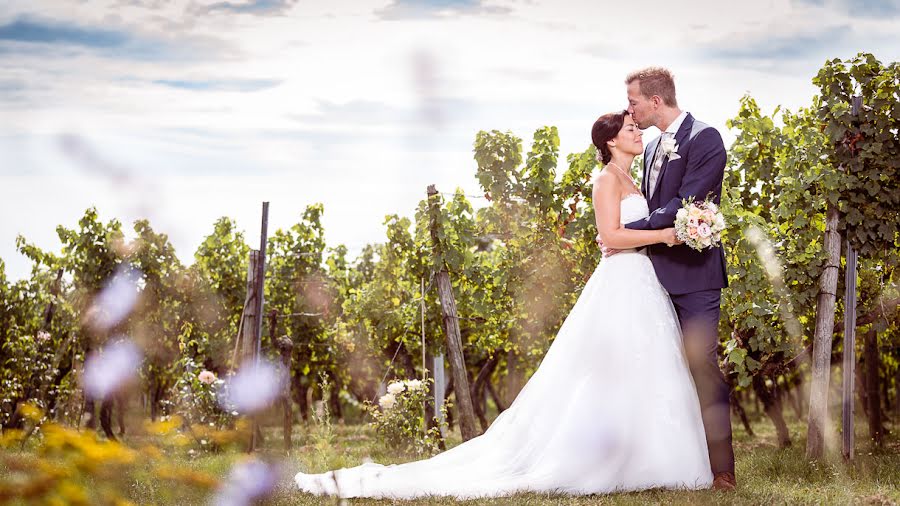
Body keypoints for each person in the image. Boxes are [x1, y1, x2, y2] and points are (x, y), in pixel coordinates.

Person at [294, 110, 715, 500]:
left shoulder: (633, 181)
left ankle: (649, 457)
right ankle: (603, 458)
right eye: (629, 129)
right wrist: (665, 237)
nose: (637, 132)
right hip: (622, 280)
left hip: (642, 281)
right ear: (609, 142)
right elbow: (611, 237)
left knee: (647, 368)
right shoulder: (606, 180)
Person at [609, 66, 735, 491]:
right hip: (649, 277)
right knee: (653, 369)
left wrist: (634, 232)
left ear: (656, 102)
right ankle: (657, 463)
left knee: (702, 366)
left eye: (633, 102)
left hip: (696, 278)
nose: (630, 110)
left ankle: (722, 470)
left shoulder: (705, 139)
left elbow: (689, 203)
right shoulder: (650, 149)